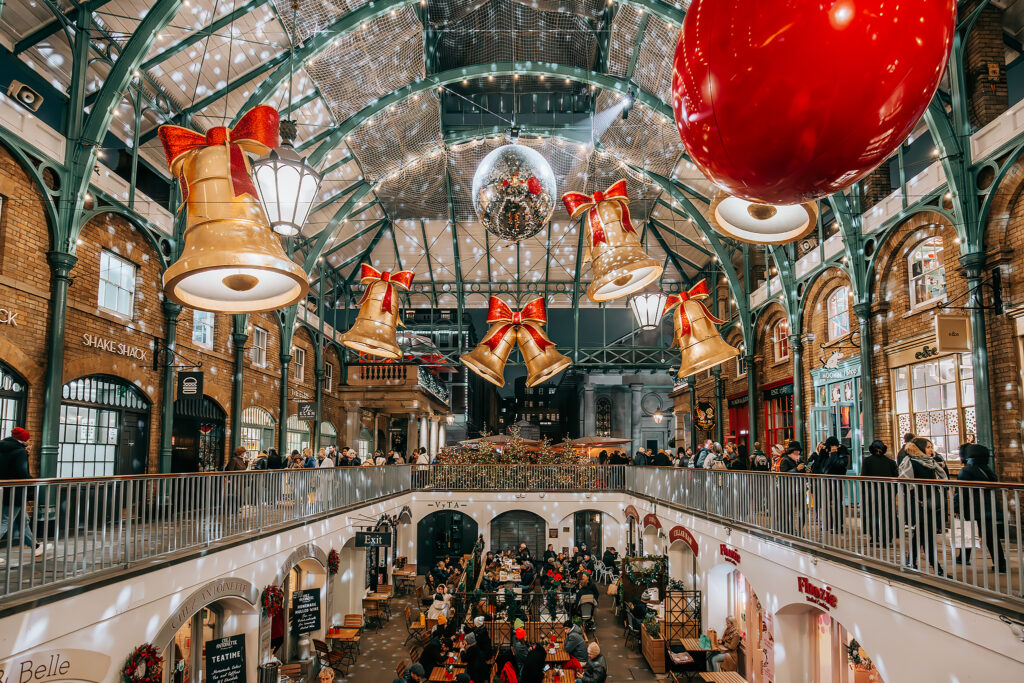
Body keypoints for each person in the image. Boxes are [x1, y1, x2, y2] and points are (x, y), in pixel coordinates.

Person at [0, 428, 52, 562]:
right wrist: (32, 480)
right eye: (28, 438)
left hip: (3, 490)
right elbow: (22, 473)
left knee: (23, 520)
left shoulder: (3, 447)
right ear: (23, 439)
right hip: (15, 492)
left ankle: (34, 546)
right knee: (4, 522)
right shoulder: (20, 452)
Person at [898, 437, 948, 575]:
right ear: (920, 449)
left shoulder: (931, 462)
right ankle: (936, 568)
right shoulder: (912, 462)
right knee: (926, 535)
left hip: (930, 503)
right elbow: (907, 483)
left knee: (920, 535)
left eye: (931, 447)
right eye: (927, 447)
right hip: (919, 503)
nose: (931, 449)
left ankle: (912, 561)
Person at [954, 444, 1007, 572]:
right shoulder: (987, 470)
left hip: (974, 509)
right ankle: (1000, 564)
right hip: (989, 508)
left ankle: (964, 557)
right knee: (990, 536)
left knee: (969, 533)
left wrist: (957, 508)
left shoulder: (966, 471)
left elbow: (961, 492)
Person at [860, 440, 897, 543]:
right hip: (887, 492)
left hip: (872, 492)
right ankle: (887, 536)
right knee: (887, 514)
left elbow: (863, 478)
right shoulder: (891, 462)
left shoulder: (867, 461)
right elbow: (896, 478)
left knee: (873, 514)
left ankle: (874, 536)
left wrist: (864, 493)